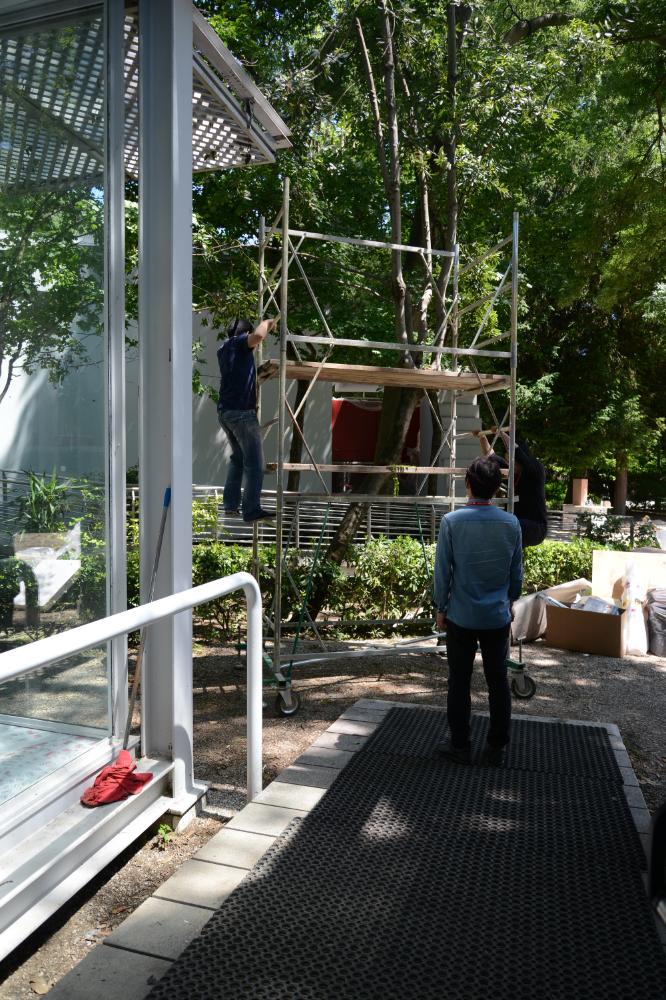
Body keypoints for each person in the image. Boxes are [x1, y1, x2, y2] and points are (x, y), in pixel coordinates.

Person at [433, 455, 523, 767]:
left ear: (468, 483)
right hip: (497, 616)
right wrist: (509, 602)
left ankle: (460, 744)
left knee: (459, 680)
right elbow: (516, 574)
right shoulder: (511, 524)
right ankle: (496, 747)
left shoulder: (451, 522)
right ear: (498, 488)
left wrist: (440, 608)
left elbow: (443, 572)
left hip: (461, 614)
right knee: (498, 681)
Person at [217, 316, 277, 523]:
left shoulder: (224, 348)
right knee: (255, 465)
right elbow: (258, 336)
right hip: (242, 413)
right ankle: (251, 510)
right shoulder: (237, 343)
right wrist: (268, 322)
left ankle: (231, 505)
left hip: (227, 412)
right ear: (244, 333)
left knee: (239, 460)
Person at [475, 429, 547, 547]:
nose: (510, 464)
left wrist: (501, 433)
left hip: (535, 527)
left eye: (512, 460)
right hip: (518, 523)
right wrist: (482, 437)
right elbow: (491, 456)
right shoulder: (514, 471)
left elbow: (517, 450)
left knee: (500, 523)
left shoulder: (535, 468)